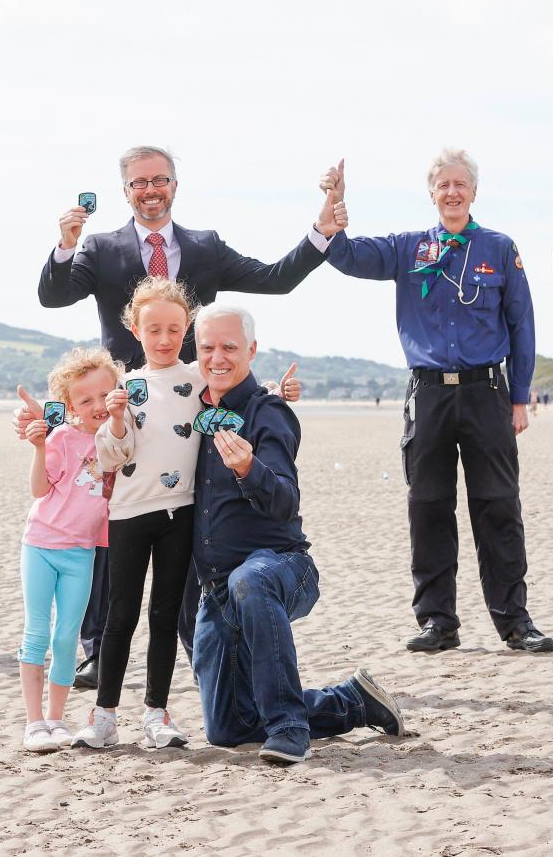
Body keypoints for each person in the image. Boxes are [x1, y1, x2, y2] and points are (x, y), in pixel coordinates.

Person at [37, 145, 338, 689]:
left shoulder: (204, 247)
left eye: (160, 180)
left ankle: (197, 648)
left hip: (188, 411)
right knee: (107, 534)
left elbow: (275, 277)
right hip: (121, 413)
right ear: (125, 191)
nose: (150, 190)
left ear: (175, 185)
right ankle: (96, 648)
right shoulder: (101, 247)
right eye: (138, 183)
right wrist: (66, 244)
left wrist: (320, 230)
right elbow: (53, 296)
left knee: (186, 535)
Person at [320, 152, 553, 655]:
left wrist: (519, 397)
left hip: (486, 392)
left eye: (461, 184)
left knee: (497, 507)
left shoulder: (498, 247)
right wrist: (334, 209)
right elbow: (347, 257)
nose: (452, 192)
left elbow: (522, 326)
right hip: (427, 394)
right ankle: (438, 621)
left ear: (474, 192)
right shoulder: (409, 248)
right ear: (432, 194)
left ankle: (515, 621)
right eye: (443, 185)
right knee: (428, 506)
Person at [67, 278, 301, 751]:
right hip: (129, 512)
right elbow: (107, 452)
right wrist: (111, 419)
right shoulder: (125, 388)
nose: (165, 339)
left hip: (180, 513)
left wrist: (279, 389)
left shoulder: (197, 380)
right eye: (154, 330)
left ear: (186, 329)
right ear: (135, 330)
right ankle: (104, 715)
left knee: (167, 614)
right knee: (119, 616)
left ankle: (156, 712)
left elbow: (234, 386)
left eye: (175, 329)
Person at [188, 302, 406, 764]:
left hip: (283, 568)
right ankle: (352, 702)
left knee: (251, 579)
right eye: (207, 347)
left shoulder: (269, 412)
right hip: (217, 589)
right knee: (228, 728)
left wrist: (249, 468)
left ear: (251, 349)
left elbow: (287, 500)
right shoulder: (192, 411)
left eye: (229, 346)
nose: (218, 357)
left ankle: (290, 727)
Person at [13, 348, 123, 753]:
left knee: (65, 639)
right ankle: (34, 722)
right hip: (41, 545)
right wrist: (39, 447)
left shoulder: (121, 439)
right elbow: (40, 489)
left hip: (82, 553)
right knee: (37, 633)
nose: (96, 405)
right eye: (85, 400)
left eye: (103, 395)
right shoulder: (62, 437)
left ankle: (56, 720)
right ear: (71, 405)